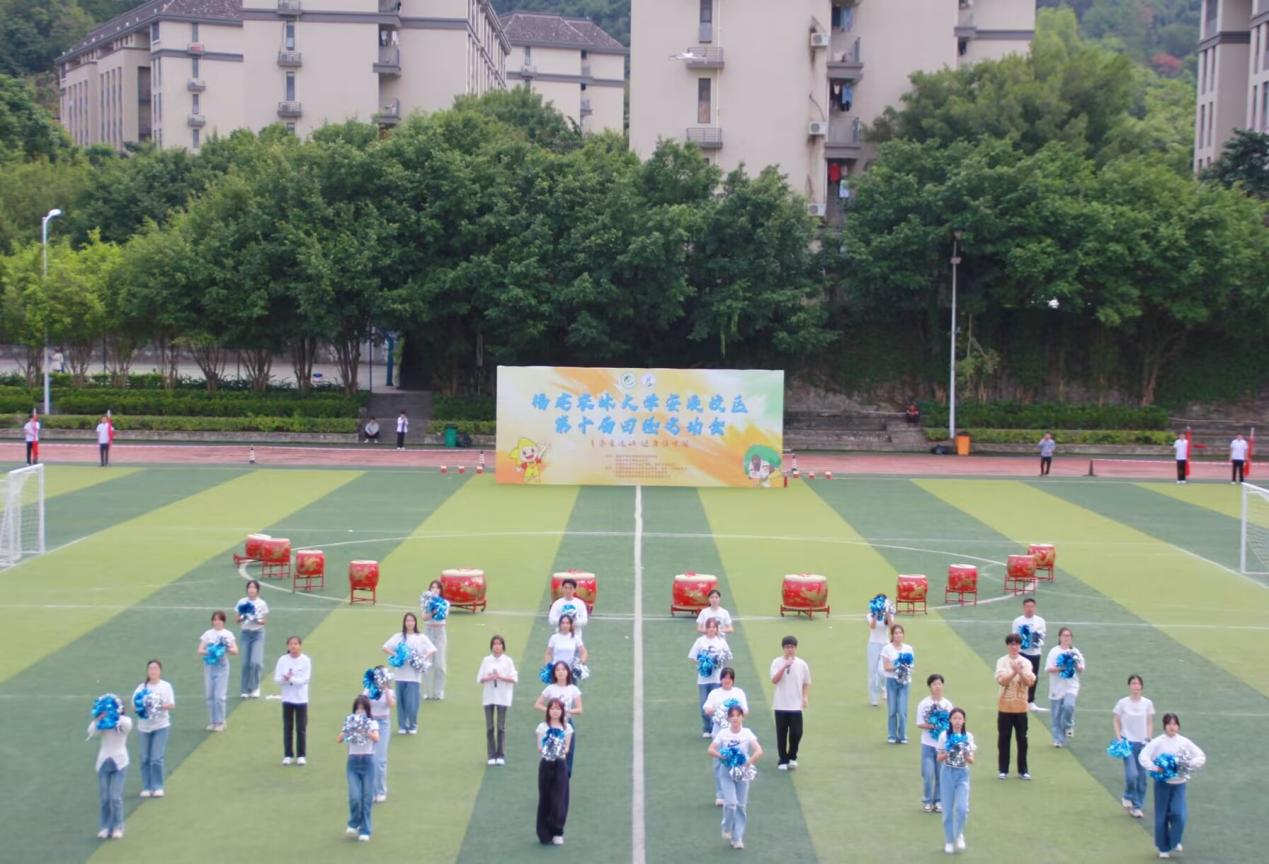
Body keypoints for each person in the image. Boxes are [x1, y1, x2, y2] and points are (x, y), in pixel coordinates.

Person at [1139, 713, 1206, 859]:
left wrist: (1190, 764)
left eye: (1175, 724)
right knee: (1161, 816)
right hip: (1162, 785)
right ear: (1164, 726)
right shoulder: (1158, 742)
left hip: (1179, 784)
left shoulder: (1184, 742)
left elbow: (1201, 756)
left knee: (1179, 814)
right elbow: (1143, 756)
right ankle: (1163, 848)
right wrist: (1155, 768)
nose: (1172, 727)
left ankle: (1175, 840)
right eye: (1169, 724)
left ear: (1178, 726)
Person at [707, 704, 763, 851]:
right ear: (728, 718)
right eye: (732, 716)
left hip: (742, 773)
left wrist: (748, 762)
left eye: (738, 715)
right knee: (731, 803)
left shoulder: (747, 733)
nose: (735, 719)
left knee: (741, 806)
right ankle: (726, 827)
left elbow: (759, 750)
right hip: (726, 772)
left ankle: (737, 838)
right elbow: (710, 750)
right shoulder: (723, 733)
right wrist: (722, 756)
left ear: (742, 717)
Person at [702, 667, 749, 806]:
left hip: (736, 734)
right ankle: (720, 795)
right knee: (719, 764)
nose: (727, 680)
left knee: (738, 762)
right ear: (721, 679)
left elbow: (745, 710)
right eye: (724, 677)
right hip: (719, 734)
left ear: (733, 680)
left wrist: (734, 715)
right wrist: (714, 711)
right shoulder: (715, 693)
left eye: (729, 678)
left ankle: (735, 793)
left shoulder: (738, 693)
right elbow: (707, 708)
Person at [382, 612, 436, 734]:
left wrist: (422, 658)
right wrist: (396, 655)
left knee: (412, 703)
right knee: (400, 702)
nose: (409, 623)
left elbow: (432, 649)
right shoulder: (398, 636)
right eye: (407, 621)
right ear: (404, 623)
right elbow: (385, 647)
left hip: (413, 676)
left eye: (412, 621)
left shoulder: (421, 637)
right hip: (400, 675)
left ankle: (412, 725)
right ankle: (402, 726)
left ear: (415, 622)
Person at [88, 696, 132, 839]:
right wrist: (99, 719)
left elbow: (126, 726)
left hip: (120, 762)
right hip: (103, 761)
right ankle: (105, 827)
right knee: (105, 798)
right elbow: (92, 732)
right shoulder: (103, 723)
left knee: (115, 797)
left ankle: (118, 827)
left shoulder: (124, 721)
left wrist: (115, 715)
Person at [338, 694, 380, 842]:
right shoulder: (350, 722)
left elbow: (376, 738)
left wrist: (365, 729)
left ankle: (365, 829)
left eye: (362, 709)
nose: (360, 712)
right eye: (357, 709)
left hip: (367, 762)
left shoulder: (372, 723)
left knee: (367, 797)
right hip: (353, 762)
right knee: (355, 796)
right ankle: (354, 822)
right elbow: (339, 739)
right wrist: (350, 730)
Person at [1113, 674, 1155, 819]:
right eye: (1133, 683)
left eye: (1138, 684)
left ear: (1141, 686)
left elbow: (1149, 722)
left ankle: (1137, 806)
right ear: (1129, 686)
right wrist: (1119, 737)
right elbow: (1116, 720)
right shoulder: (1122, 703)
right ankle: (1127, 795)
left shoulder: (1147, 703)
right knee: (1132, 774)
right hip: (1127, 743)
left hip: (1142, 744)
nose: (1136, 686)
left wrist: (1148, 738)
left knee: (1142, 778)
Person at [995, 633, 1035, 780]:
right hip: (1005, 707)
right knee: (1003, 739)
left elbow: (1029, 682)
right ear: (1008, 645)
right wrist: (1014, 672)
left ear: (1020, 645)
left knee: (1022, 740)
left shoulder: (1026, 662)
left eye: (1017, 644)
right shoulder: (1001, 661)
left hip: (1021, 707)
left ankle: (1023, 770)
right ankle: (1003, 770)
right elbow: (1002, 681)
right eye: (1012, 644)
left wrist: (1020, 671)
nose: (1014, 647)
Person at [133, 660, 175, 798]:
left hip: (161, 725)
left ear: (160, 671)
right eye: (150, 668)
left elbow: (171, 705)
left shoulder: (166, 686)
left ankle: (157, 786)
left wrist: (158, 705)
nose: (153, 671)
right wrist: (144, 706)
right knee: (144, 758)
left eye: (155, 668)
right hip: (144, 727)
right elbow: (134, 705)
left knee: (156, 758)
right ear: (147, 671)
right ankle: (147, 787)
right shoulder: (141, 688)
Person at [936, 707, 975, 854]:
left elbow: (971, 760)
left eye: (960, 718)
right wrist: (948, 752)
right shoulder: (944, 735)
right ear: (950, 720)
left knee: (962, 808)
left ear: (964, 720)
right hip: (947, 773)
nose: (957, 721)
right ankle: (949, 840)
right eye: (954, 718)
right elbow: (938, 758)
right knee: (947, 810)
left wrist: (964, 754)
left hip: (962, 774)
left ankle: (958, 834)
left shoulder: (968, 737)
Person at [534, 660, 583, 777]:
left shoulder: (573, 689)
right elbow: (537, 704)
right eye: (558, 670)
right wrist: (552, 711)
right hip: (551, 726)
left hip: (566, 724)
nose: (560, 672)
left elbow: (579, 709)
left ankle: (565, 780)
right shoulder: (550, 688)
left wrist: (566, 711)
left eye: (563, 669)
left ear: (567, 672)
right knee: (551, 756)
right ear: (554, 673)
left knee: (567, 754)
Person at [769, 635, 811, 770]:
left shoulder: (802, 664)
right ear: (783, 648)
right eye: (787, 647)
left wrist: (805, 697)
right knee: (781, 733)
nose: (789, 650)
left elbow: (806, 682)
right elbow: (774, 680)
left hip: (796, 705)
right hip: (780, 704)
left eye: (792, 647)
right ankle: (783, 759)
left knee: (797, 733)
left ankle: (792, 756)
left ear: (796, 648)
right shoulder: (777, 662)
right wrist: (784, 666)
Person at [536, 698, 573, 845]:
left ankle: (558, 831)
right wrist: (549, 746)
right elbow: (539, 747)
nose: (555, 711)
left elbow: (567, 748)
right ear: (548, 710)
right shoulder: (542, 727)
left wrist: (558, 746)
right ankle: (544, 832)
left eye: (558, 709)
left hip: (560, 765)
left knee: (559, 799)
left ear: (562, 711)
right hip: (546, 764)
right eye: (552, 708)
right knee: (545, 798)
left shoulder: (567, 728)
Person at [477, 634, 518, 765]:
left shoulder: (508, 661)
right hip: (489, 697)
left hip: (502, 697)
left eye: (499, 644)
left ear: (503, 646)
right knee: (490, 727)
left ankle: (500, 754)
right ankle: (491, 755)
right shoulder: (486, 660)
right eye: (494, 644)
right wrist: (489, 678)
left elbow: (514, 679)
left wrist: (500, 677)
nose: (497, 646)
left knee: (501, 727)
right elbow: (480, 678)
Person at [688, 617, 732, 737]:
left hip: (717, 679)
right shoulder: (700, 641)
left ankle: (715, 728)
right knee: (704, 704)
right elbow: (692, 656)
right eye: (709, 627)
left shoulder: (721, 641)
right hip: (703, 679)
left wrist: (719, 661)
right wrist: (703, 664)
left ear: (717, 629)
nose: (711, 629)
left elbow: (728, 655)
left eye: (714, 627)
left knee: (716, 705)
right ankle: (706, 728)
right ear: (706, 629)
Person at [916, 673, 953, 812]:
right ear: (930, 686)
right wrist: (934, 726)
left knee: (940, 775)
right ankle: (927, 801)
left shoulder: (947, 705)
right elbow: (920, 723)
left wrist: (944, 728)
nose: (937, 687)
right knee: (928, 775)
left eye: (939, 684)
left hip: (942, 746)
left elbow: (951, 723)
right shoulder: (924, 704)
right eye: (934, 684)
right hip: (927, 744)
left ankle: (938, 801)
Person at [198, 611, 238, 731]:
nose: (217, 622)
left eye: (219, 619)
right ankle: (213, 721)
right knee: (210, 695)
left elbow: (235, 651)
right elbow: (200, 650)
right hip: (209, 665)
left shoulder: (227, 634)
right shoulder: (208, 634)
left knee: (219, 696)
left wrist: (225, 648)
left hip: (222, 666)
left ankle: (221, 722)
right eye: (215, 619)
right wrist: (211, 651)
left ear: (223, 621)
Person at [274, 636, 311, 765]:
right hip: (287, 698)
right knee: (287, 727)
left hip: (301, 699)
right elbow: (277, 679)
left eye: (295, 644)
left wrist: (291, 679)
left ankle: (301, 755)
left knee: (301, 728)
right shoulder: (282, 660)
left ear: (300, 646)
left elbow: (305, 680)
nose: (293, 646)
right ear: (288, 646)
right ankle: (288, 755)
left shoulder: (305, 660)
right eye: (291, 644)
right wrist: (284, 679)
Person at [1045, 627, 1085, 747]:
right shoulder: (1054, 651)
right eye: (1064, 635)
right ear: (1060, 637)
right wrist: (1062, 668)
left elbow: (1081, 669)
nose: (1066, 638)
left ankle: (1068, 725)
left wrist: (1076, 664)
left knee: (1069, 705)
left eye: (1068, 636)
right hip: (1056, 687)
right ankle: (1058, 739)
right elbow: (1048, 669)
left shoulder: (1075, 652)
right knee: (1056, 715)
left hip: (1071, 686)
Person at [362, 666, 397, 802]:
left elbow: (391, 704)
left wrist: (386, 690)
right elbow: (362, 705)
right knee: (369, 758)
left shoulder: (390, 691)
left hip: (383, 724)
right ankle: (370, 790)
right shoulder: (368, 689)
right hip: (369, 723)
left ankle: (381, 790)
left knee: (380, 759)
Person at [880, 623, 915, 744]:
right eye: (896, 633)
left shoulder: (908, 648)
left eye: (900, 633)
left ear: (903, 635)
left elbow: (911, 665)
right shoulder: (887, 649)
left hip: (904, 682)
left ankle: (903, 735)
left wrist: (905, 667)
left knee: (902, 710)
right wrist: (898, 666)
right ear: (892, 635)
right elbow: (886, 667)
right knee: (892, 710)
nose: (898, 635)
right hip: (891, 681)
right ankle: (892, 735)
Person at [236, 579, 269, 699]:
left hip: (257, 634)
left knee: (255, 662)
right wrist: (244, 616)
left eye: (254, 587)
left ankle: (255, 687)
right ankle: (244, 689)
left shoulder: (262, 603)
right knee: (245, 663)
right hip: (245, 633)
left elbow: (264, 621)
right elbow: (237, 619)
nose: (251, 590)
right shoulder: (242, 602)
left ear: (257, 590)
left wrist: (256, 619)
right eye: (249, 587)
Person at [1011, 597, 1046, 709]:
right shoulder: (1017, 621)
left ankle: (1030, 701)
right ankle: (1017, 698)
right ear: (1024, 608)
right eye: (1027, 606)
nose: (1030, 609)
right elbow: (1014, 638)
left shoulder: (1040, 621)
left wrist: (1036, 639)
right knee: (1019, 675)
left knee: (1033, 676)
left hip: (1035, 653)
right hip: (1022, 653)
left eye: (1032, 606)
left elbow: (1043, 636)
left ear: (1035, 608)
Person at [420, 579, 448, 701]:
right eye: (433, 587)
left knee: (439, 664)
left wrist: (437, 607)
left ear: (440, 590)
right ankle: (427, 692)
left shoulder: (445, 602)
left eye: (437, 587)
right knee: (426, 663)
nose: (435, 590)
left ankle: (438, 692)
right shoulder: (425, 601)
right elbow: (424, 617)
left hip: (440, 632)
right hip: (428, 632)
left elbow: (443, 616)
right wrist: (431, 610)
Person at [866, 596, 893, 707]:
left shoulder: (889, 614)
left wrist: (887, 613)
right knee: (872, 672)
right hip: (873, 644)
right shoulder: (870, 615)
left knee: (882, 671)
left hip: (885, 645)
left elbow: (891, 627)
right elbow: (872, 626)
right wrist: (876, 613)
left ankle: (884, 689)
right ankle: (874, 698)